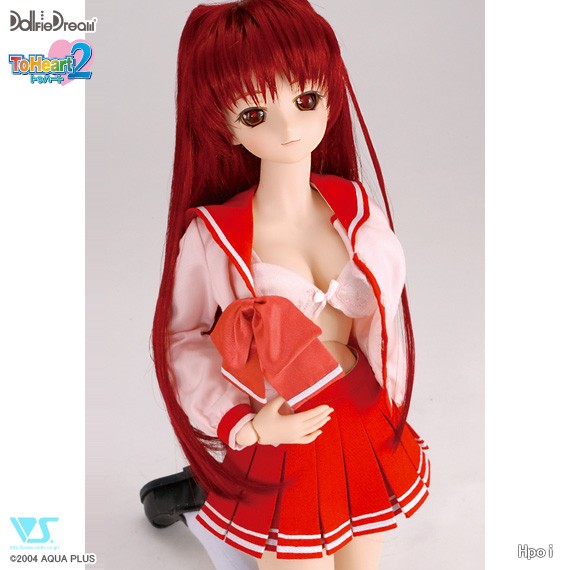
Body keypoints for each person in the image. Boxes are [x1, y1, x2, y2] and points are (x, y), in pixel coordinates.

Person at [145, 1, 430, 568]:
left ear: (329, 97)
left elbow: (385, 321)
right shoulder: (214, 237)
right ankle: (196, 500)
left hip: (361, 415)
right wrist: (243, 425)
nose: (289, 128)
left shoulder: (358, 212)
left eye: (305, 100)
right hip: (283, 430)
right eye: (255, 114)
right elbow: (182, 338)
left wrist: (392, 393)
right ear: (224, 125)